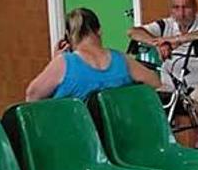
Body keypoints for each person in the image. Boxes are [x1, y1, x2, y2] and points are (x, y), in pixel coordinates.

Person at [127, 0, 198, 130]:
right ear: (171, 10)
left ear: (195, 8)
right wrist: (158, 43)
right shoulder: (166, 24)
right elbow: (133, 32)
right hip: (171, 84)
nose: (181, 13)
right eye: (176, 8)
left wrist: (177, 40)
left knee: (194, 99)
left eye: (186, 7)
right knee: (146, 97)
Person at [26, 8, 161, 101]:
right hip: (117, 135)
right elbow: (156, 83)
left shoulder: (63, 63)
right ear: (99, 31)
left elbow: (32, 95)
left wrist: (54, 61)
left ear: (67, 37)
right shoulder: (122, 60)